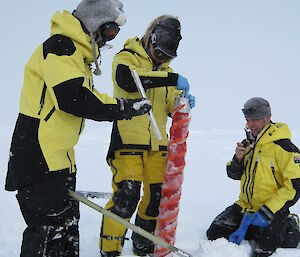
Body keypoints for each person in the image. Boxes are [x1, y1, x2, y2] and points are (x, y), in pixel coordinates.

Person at [5, 0, 152, 256]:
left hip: (58, 159)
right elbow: (73, 98)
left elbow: (90, 96)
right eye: (109, 32)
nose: (109, 40)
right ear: (94, 22)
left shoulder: (75, 56)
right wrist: (125, 109)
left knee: (65, 230)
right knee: (46, 232)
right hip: (38, 158)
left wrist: (125, 105)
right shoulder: (60, 47)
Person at [99, 15, 195, 257]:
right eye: (160, 54)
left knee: (155, 198)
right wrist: (172, 79)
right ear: (151, 40)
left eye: (167, 57)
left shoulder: (166, 72)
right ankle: (109, 249)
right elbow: (130, 82)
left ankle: (143, 245)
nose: (162, 60)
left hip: (158, 146)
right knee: (127, 195)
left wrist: (181, 103)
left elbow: (169, 107)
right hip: (128, 142)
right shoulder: (126, 58)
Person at [206, 97, 300, 257]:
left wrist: (268, 211)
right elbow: (233, 174)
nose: (251, 124)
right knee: (214, 233)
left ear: (267, 118)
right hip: (245, 207)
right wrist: (238, 160)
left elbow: (294, 187)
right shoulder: (249, 143)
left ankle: (289, 225)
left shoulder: (284, 148)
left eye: (255, 120)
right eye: (248, 120)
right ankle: (255, 229)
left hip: (272, 210)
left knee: (262, 251)